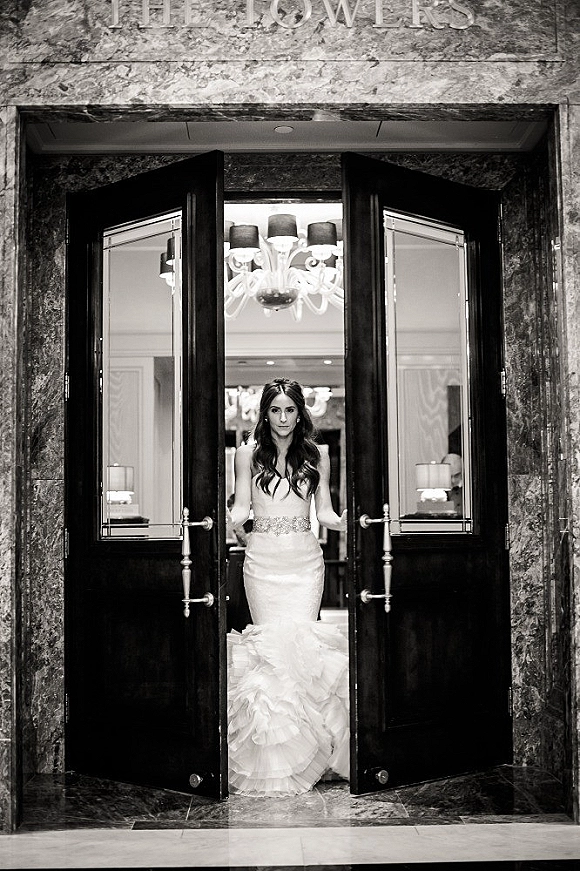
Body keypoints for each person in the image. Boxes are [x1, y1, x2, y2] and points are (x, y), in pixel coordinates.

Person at [226, 377, 349, 797]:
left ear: (300, 413)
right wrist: (219, 520)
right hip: (262, 562)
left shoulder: (318, 454)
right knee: (271, 654)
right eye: (275, 410)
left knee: (304, 650)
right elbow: (241, 509)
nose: (282, 418)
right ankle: (273, 759)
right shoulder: (247, 454)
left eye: (290, 410)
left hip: (304, 563)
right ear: (265, 413)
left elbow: (325, 512)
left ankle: (316, 752)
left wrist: (352, 522)